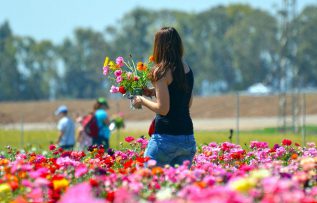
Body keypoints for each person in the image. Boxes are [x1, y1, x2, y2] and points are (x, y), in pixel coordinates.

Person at [132, 27, 196, 167]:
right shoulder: (187, 69)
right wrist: (154, 91)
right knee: (178, 185)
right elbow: (187, 102)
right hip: (187, 139)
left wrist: (141, 99)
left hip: (165, 139)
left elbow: (163, 109)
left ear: (159, 46)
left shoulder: (160, 71)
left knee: (148, 181)